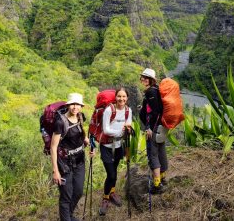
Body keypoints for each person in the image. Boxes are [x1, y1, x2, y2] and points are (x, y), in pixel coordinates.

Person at [51, 93, 92, 221]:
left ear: (81, 106)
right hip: (64, 163)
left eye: (78, 104)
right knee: (66, 196)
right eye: (73, 104)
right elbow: (53, 147)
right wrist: (55, 171)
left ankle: (67, 216)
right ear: (68, 105)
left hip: (79, 160)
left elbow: (80, 131)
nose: (75, 107)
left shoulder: (80, 116)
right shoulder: (60, 122)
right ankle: (67, 218)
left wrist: (86, 141)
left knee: (78, 191)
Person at [98, 87, 133, 216]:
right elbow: (106, 130)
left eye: (124, 97)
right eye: (119, 96)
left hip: (119, 145)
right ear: (115, 97)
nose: (121, 99)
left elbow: (128, 125)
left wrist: (128, 130)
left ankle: (112, 192)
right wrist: (119, 132)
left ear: (127, 98)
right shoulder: (109, 110)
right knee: (111, 174)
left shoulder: (128, 110)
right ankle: (106, 197)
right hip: (106, 146)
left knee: (115, 170)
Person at [139, 68, 167, 194]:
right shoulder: (156, 90)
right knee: (161, 151)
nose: (143, 79)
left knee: (153, 154)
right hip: (162, 127)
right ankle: (162, 177)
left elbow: (155, 112)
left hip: (154, 128)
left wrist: (149, 128)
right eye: (142, 77)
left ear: (151, 80)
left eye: (145, 77)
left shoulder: (151, 91)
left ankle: (157, 185)